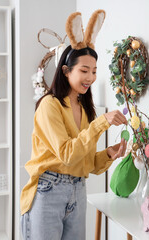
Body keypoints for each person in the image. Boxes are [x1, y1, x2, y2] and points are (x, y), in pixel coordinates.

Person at [20, 10, 128, 240]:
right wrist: (100, 124)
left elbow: (85, 162)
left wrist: (108, 154)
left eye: (94, 71)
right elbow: (67, 154)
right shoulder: (49, 105)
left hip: (78, 191)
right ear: (66, 71)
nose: (90, 77)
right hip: (48, 192)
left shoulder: (85, 109)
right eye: (84, 71)